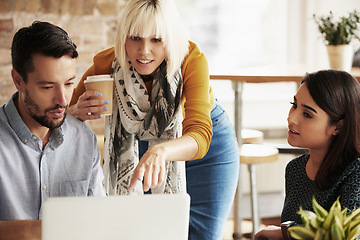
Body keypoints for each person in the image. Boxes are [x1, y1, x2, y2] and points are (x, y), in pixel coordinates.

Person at [68, 0, 239, 239]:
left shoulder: (191, 58)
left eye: (156, 40)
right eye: (135, 38)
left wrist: (161, 152)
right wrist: (76, 112)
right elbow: (61, 116)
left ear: (170, 38)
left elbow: (200, 135)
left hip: (206, 148)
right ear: (123, 37)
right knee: (144, 231)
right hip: (141, 149)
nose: (144, 50)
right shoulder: (105, 64)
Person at [0, 21, 106, 239]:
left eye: (68, 84)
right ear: (18, 81)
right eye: (47, 87)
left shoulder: (84, 139)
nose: (62, 100)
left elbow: (99, 220)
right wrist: (36, 230)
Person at [254, 69, 360, 240]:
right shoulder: (295, 169)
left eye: (307, 114)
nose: (292, 119)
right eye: (294, 105)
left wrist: (283, 233)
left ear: (338, 127)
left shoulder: (355, 172)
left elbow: (342, 236)